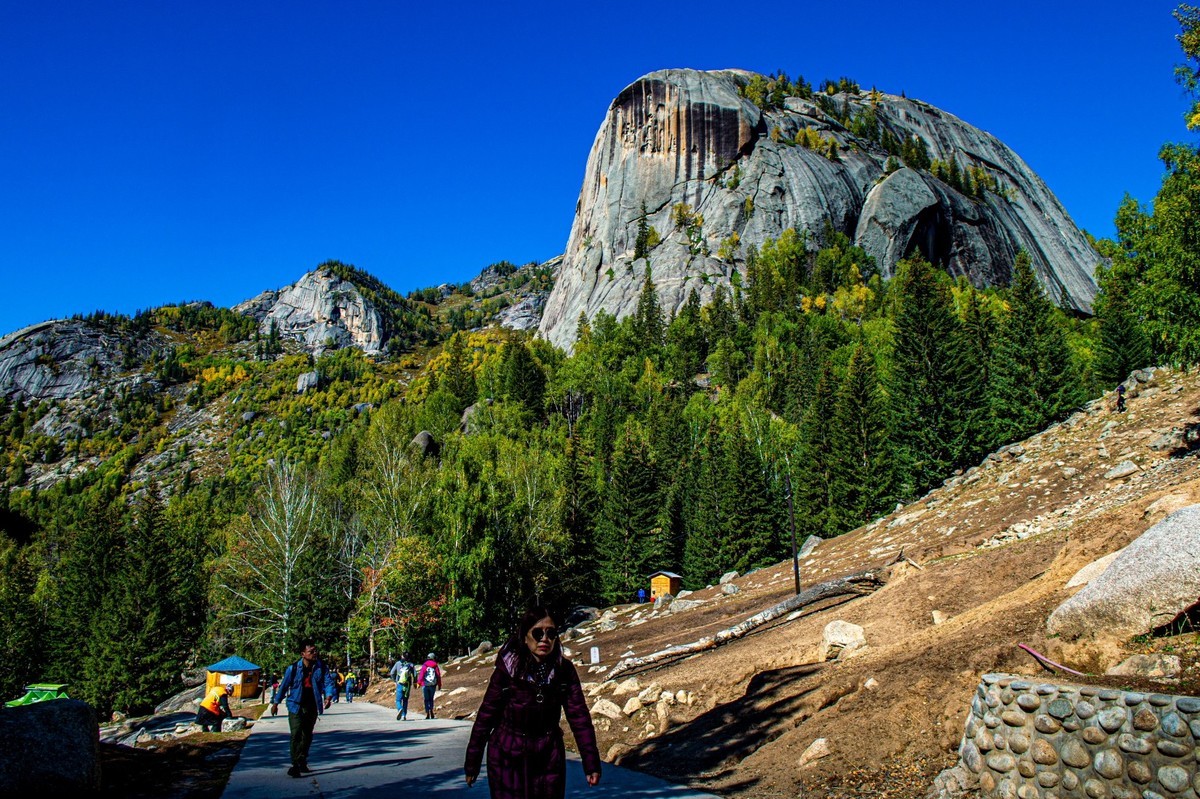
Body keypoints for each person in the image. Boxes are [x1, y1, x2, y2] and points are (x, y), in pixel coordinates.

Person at [464, 607, 601, 797]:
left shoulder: (563, 671)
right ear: (524, 636)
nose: (544, 639)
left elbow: (579, 717)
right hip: (507, 754)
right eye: (537, 633)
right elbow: (486, 716)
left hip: (548, 756)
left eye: (551, 633)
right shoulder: (507, 671)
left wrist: (591, 762)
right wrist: (472, 763)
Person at [270, 641, 334, 778]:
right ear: (303, 654)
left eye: (315, 651)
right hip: (295, 705)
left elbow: (328, 682)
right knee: (296, 734)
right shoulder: (293, 669)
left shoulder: (321, 667)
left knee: (307, 735)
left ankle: (302, 759)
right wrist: (276, 703)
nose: (314, 653)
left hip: (312, 706)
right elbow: (284, 687)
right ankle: (295, 765)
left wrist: (328, 696)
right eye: (311, 651)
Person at [390, 652, 416, 720]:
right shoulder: (411, 664)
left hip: (400, 683)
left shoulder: (398, 663)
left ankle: (400, 709)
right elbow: (415, 674)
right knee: (405, 700)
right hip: (407, 685)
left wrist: (395, 680)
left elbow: (392, 672)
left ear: (402, 656)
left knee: (398, 700)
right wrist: (415, 682)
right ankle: (404, 715)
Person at [418, 652, 442, 719]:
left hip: (425, 685)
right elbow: (438, 676)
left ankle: (427, 713)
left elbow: (421, 675)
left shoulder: (424, 665)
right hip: (433, 685)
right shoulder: (435, 666)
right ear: (433, 658)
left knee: (426, 699)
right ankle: (431, 711)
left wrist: (419, 683)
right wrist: (439, 685)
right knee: (431, 699)